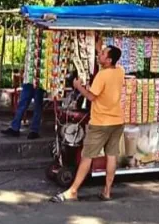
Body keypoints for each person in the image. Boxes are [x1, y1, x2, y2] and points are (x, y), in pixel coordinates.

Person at [50, 44, 125, 203]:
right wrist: (98, 48)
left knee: (87, 156)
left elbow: (91, 97)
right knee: (111, 156)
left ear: (109, 59)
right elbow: (109, 66)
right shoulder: (120, 71)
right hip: (117, 121)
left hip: (101, 123)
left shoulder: (102, 76)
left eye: (103, 54)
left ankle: (73, 191)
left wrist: (78, 86)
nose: (100, 55)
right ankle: (107, 191)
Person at [1, 69, 45, 139]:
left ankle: (34, 130)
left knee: (37, 106)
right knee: (22, 104)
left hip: (40, 79)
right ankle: (15, 128)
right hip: (28, 80)